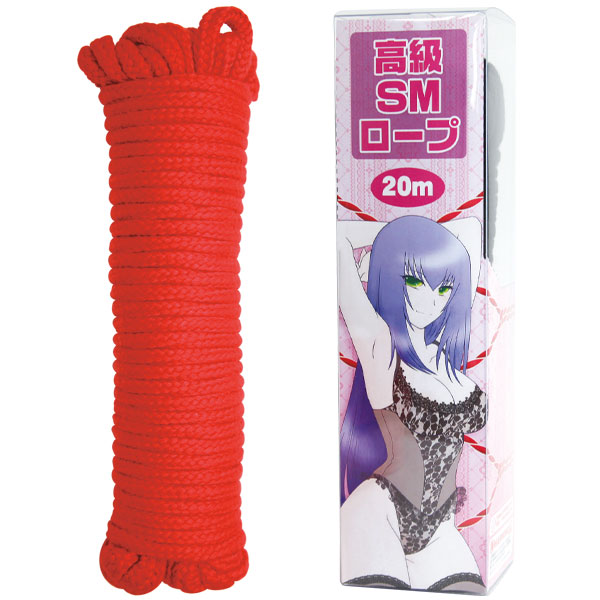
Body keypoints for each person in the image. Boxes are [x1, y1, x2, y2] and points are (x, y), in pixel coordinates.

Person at [338, 215, 486, 592]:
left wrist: (415, 247)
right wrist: (390, 242)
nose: (430, 300)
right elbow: (337, 241)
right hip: (379, 511)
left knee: (474, 590)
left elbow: (472, 229)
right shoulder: (380, 343)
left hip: (440, 528)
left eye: (443, 288)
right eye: (415, 282)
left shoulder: (447, 355)